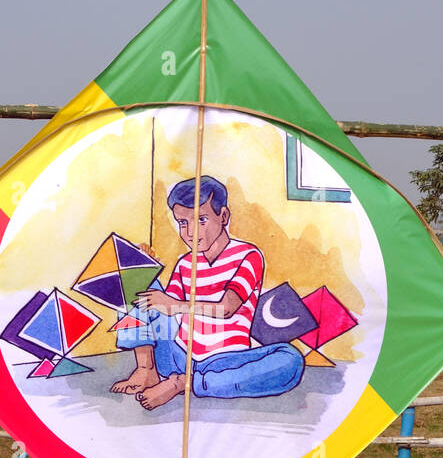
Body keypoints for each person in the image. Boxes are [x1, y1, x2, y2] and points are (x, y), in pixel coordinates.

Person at [110, 175, 304, 410]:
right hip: (178, 356)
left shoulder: (248, 256)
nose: (190, 232)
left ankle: (185, 384)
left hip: (226, 361)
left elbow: (227, 308)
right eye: (182, 223)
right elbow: (164, 309)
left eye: (201, 219)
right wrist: (143, 267)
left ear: (223, 216)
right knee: (133, 278)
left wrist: (177, 305)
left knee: (290, 360)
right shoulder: (184, 263)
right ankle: (146, 370)